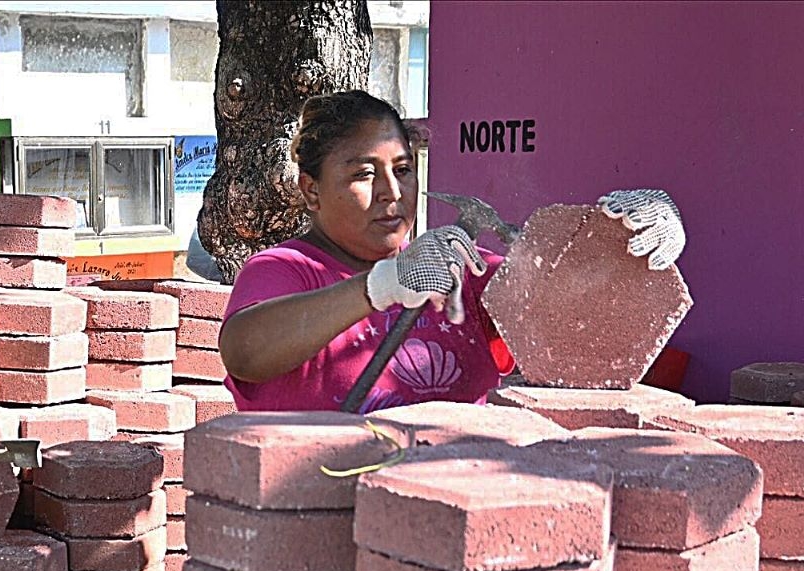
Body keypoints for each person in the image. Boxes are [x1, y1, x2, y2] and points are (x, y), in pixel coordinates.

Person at [219, 90, 685, 413]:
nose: (391, 192)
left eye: (403, 169)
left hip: (456, 526)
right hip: (328, 526)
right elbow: (245, 351)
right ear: (312, 190)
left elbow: (586, 318)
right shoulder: (286, 270)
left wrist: (632, 252)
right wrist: (383, 284)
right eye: (364, 174)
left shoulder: (465, 272)